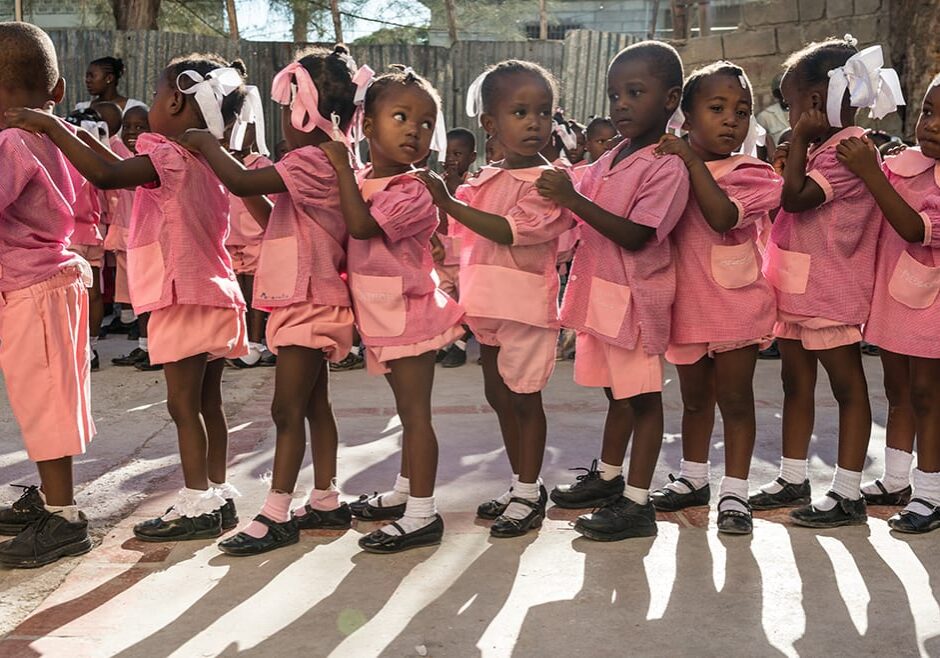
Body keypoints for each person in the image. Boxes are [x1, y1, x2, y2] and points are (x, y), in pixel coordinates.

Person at [8, 53, 254, 542]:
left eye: (160, 96)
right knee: (209, 403)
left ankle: (196, 501)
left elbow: (105, 176)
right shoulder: (205, 161)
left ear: (178, 102)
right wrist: (75, 134)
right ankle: (220, 494)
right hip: (218, 295)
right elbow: (116, 165)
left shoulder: (167, 155)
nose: (155, 104)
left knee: (183, 408)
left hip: (179, 297)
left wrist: (53, 128)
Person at [176, 45, 362, 556]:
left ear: (307, 110)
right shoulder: (331, 158)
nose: (283, 118)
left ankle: (275, 513)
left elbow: (237, 179)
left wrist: (206, 145)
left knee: (285, 411)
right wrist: (236, 174)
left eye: (286, 109)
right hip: (311, 296)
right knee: (314, 405)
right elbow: (269, 215)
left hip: (306, 300)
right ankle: (324, 496)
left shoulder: (311, 158)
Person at [537, 41, 689, 541]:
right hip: (603, 296)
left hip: (636, 303)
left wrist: (574, 199)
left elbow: (639, 234)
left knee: (643, 400)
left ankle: (638, 505)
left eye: (635, 92)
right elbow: (580, 194)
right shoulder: (614, 156)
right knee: (616, 395)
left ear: (670, 100)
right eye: (614, 94)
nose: (620, 103)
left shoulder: (666, 165)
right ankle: (608, 477)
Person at [749, 37, 901, 528]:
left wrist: (794, 154)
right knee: (795, 382)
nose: (788, 113)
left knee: (848, 388)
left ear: (815, 103)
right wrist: (797, 152)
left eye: (791, 104)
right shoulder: (822, 147)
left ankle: (848, 492)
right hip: (797, 287)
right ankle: (793, 476)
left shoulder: (849, 151)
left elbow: (795, 201)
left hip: (830, 292)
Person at [419, 60, 573, 538]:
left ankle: (529, 492)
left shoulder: (551, 182)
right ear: (491, 124)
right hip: (486, 304)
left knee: (525, 400)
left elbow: (512, 231)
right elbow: (466, 235)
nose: (535, 123)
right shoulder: (485, 180)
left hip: (525, 308)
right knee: (499, 396)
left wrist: (448, 202)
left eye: (543, 113)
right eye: (520, 112)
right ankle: (519, 481)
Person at [324, 66, 465, 553]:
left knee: (416, 414)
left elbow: (362, 229)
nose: (414, 130)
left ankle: (423, 514)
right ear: (367, 125)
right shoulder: (365, 180)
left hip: (410, 318)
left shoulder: (413, 190)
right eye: (401, 117)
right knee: (407, 414)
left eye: (426, 123)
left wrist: (340, 167)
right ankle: (407, 491)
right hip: (382, 317)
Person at [652, 61, 782, 535]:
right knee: (692, 401)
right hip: (683, 303)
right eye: (717, 108)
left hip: (735, 305)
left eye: (742, 111)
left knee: (735, 399)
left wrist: (688, 160)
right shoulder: (665, 169)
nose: (732, 119)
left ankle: (735, 493)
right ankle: (693, 479)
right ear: (685, 116)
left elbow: (723, 216)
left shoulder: (754, 172)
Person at [0, 21, 95, 568]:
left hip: (33, 288)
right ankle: (52, 501)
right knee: (50, 395)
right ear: (58, 92)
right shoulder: (54, 134)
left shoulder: (13, 143)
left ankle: (63, 518)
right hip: (46, 281)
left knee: (45, 403)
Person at [837, 75, 940, 533]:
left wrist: (872, 173)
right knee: (898, 392)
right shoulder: (902, 166)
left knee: (928, 396)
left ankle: (932, 492)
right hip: (896, 301)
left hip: (932, 305)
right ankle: (897, 479)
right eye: (928, 111)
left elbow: (915, 228)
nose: (932, 124)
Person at [107, 106, 157, 370]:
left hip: (149, 239)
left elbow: (120, 178)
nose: (132, 132)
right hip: (127, 234)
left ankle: (155, 349)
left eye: (140, 127)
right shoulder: (123, 154)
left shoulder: (152, 157)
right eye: (128, 127)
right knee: (136, 298)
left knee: (150, 298)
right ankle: (144, 346)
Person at [224, 122, 273, 369]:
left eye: (243, 127)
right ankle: (240, 340)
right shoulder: (223, 163)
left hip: (256, 238)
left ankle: (255, 343)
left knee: (256, 291)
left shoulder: (262, 165)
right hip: (231, 238)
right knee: (238, 292)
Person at [433, 127, 477, 368]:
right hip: (442, 256)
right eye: (447, 153)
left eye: (458, 154)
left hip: (466, 259)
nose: (451, 159)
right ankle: (447, 342)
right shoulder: (436, 181)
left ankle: (460, 346)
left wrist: (456, 187)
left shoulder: (474, 183)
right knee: (444, 305)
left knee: (468, 304)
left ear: (471, 157)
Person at [78, 56, 146, 114]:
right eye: (87, 76)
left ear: (109, 78)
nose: (87, 80)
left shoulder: (134, 108)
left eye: (92, 76)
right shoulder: (82, 108)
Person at [756, 73, 791, 146]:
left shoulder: (803, 112)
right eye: (781, 93)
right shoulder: (765, 116)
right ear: (776, 94)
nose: (784, 96)